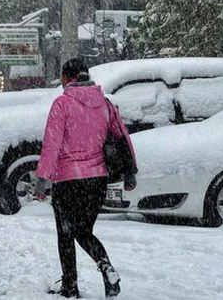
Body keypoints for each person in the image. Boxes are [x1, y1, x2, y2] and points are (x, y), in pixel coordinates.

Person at [34, 58, 137, 299]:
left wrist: (42, 178)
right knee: (84, 232)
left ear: (67, 78)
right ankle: (106, 267)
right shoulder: (104, 103)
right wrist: (131, 171)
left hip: (67, 180)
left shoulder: (62, 104)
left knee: (66, 233)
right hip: (96, 179)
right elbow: (123, 137)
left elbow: (52, 144)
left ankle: (70, 287)